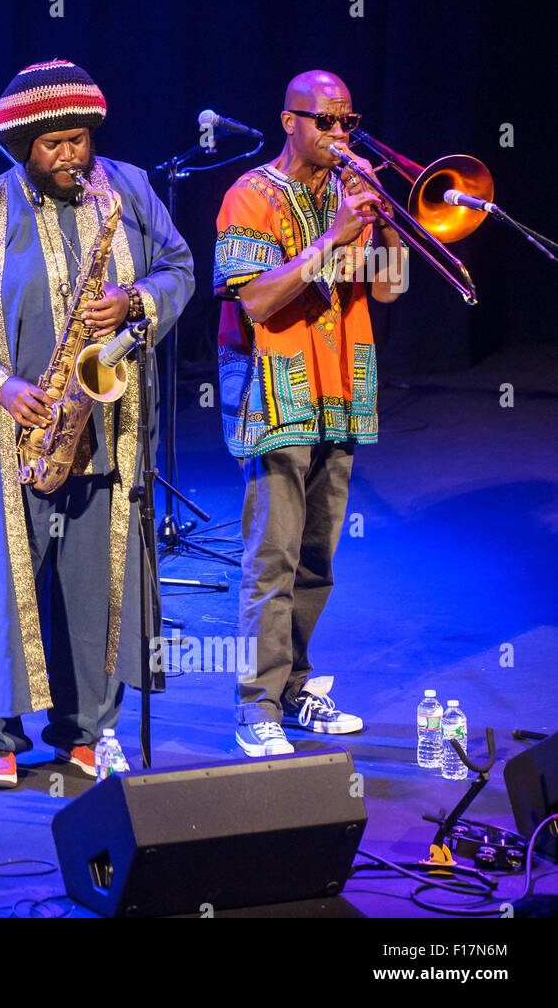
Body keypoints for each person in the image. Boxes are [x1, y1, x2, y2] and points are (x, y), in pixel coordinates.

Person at [0, 60, 195, 787]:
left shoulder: (128, 190)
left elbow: (180, 267)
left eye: (78, 140)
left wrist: (133, 301)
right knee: (1, 583)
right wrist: (2, 384)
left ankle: (85, 731)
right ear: (24, 147)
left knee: (95, 578)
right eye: (52, 145)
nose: (69, 155)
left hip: (106, 426)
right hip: (6, 432)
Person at [213, 69, 407, 757]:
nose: (338, 135)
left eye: (347, 122)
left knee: (317, 558)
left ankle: (294, 691)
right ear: (289, 119)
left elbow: (385, 291)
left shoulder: (352, 196)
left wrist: (382, 222)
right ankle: (256, 707)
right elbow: (257, 301)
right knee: (273, 557)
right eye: (324, 121)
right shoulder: (251, 194)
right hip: (275, 392)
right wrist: (333, 238)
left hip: (342, 392)